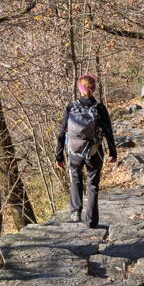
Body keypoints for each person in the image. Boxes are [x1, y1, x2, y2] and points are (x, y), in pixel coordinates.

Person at [56, 74, 117, 228]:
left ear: (80, 88)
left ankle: (76, 212)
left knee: (76, 179)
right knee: (93, 185)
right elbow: (108, 132)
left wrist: (59, 156)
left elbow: (62, 132)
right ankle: (91, 221)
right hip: (94, 152)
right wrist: (113, 153)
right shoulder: (99, 107)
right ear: (94, 88)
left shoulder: (71, 107)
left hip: (74, 152)